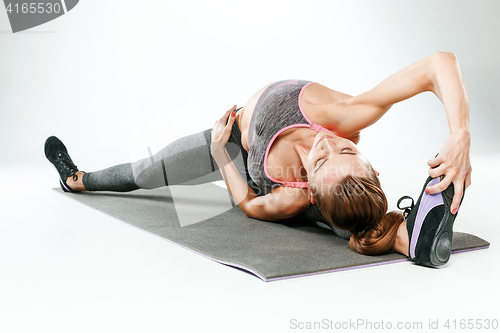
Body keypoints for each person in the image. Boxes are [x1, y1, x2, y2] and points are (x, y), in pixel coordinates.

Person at [45, 52, 471, 267]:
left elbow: (247, 203)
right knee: (147, 170)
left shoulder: (292, 197)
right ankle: (77, 180)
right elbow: (438, 64)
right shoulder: (341, 115)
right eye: (346, 149)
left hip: (231, 150)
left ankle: (402, 237)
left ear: (311, 192)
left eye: (322, 164)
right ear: (369, 161)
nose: (324, 146)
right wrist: (460, 134)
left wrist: (218, 153)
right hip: (239, 141)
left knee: (340, 213)